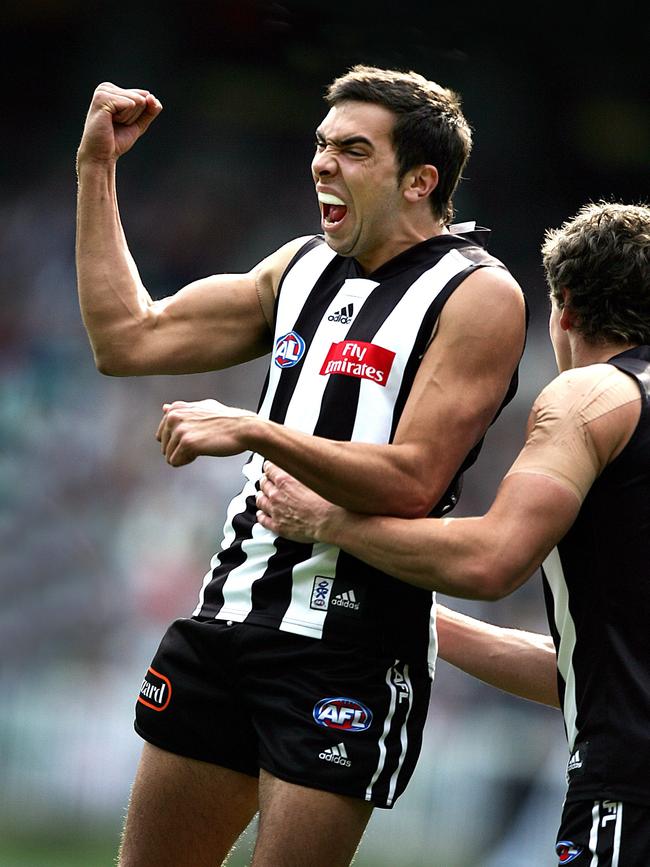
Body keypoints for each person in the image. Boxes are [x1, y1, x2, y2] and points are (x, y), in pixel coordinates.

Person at [75, 66, 527, 867]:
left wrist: (257, 429)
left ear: (420, 180)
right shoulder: (299, 267)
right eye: (322, 145)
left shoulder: (479, 294)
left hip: (350, 640)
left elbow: (414, 479)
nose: (322, 163)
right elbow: (128, 337)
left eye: (354, 150)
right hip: (228, 615)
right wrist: (96, 168)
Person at [256, 200, 650, 866]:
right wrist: (422, 618)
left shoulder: (590, 395)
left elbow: (495, 559)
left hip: (630, 793)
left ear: (564, 307)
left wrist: (329, 521)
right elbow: (592, 673)